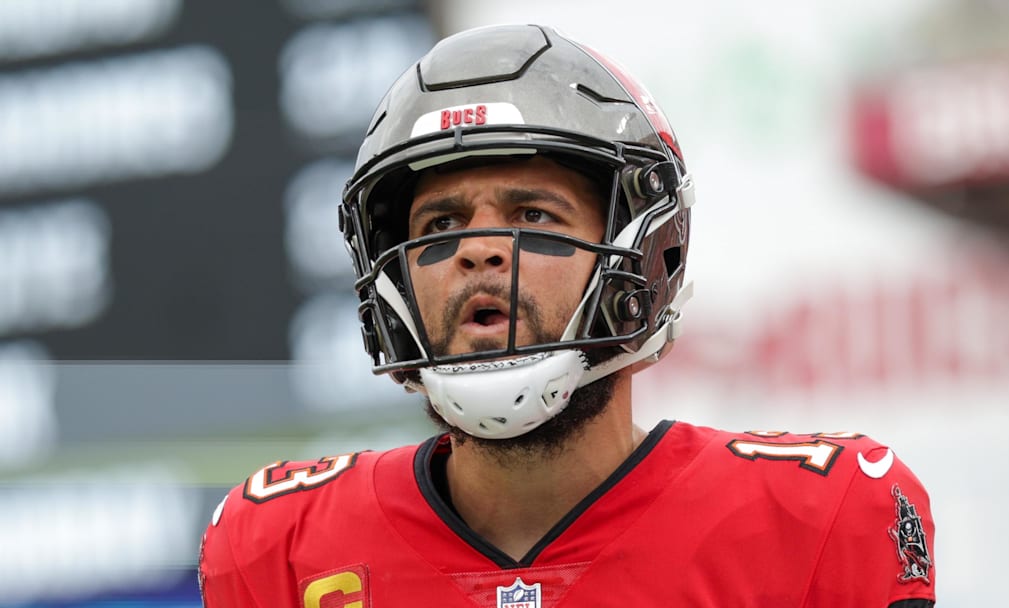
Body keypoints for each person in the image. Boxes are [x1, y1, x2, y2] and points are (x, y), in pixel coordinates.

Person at [198, 24, 936, 607]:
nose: (480, 250)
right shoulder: (282, 546)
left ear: (645, 257)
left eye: (535, 215)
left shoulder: (815, 516)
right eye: (440, 225)